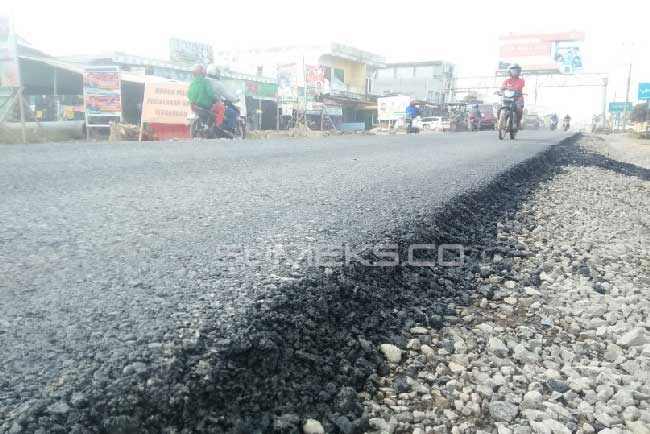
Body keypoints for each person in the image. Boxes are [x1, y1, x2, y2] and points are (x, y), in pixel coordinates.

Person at [500, 64, 525, 128]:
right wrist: (500, 91)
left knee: (519, 110)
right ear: (509, 71)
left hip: (517, 98)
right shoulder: (507, 80)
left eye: (516, 70)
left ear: (519, 71)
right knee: (499, 109)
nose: (514, 72)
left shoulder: (521, 80)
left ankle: (518, 122)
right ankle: (500, 121)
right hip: (507, 98)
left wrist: (507, 87)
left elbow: (518, 88)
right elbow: (502, 87)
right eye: (513, 70)